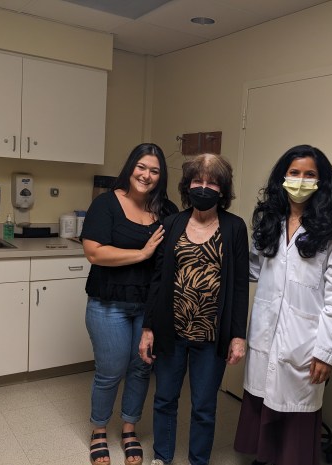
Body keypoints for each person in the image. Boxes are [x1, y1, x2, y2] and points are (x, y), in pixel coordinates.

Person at [234, 145, 332, 465]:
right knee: (264, 399)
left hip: (306, 339)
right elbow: (254, 268)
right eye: (295, 173)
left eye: (309, 175)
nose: (301, 180)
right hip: (266, 329)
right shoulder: (269, 221)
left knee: (296, 412)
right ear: (282, 178)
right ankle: (264, 458)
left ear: (321, 182)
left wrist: (325, 352)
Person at [139, 153, 249, 465]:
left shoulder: (234, 228)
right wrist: (148, 329)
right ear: (187, 187)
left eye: (212, 182)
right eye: (197, 181)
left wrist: (238, 336)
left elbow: (240, 285)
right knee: (164, 399)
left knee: (203, 405)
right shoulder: (172, 224)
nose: (204, 187)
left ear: (222, 190)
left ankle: (198, 460)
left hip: (212, 336)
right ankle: (162, 456)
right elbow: (157, 280)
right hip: (170, 331)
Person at [81, 143, 178, 465]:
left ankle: (129, 428)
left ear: (160, 176)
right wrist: (141, 254)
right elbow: (94, 252)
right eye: (141, 167)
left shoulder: (167, 210)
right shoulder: (106, 203)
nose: (146, 175)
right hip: (109, 304)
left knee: (141, 369)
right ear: (130, 167)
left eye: (154, 170)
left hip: (149, 308)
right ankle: (98, 431)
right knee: (110, 372)